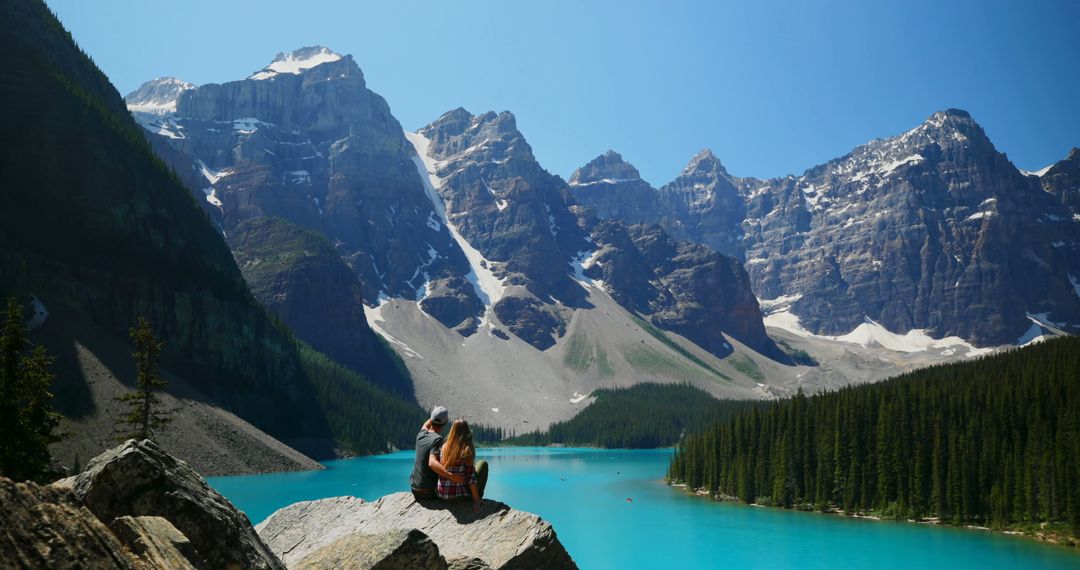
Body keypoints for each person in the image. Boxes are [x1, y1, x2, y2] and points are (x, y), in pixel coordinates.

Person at [410, 406, 465, 500]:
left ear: (431, 419)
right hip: (428, 492)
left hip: (415, 489)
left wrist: (434, 415)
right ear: (445, 423)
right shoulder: (437, 439)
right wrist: (452, 476)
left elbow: (425, 425)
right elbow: (432, 463)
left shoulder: (421, 434)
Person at [435, 420, 489, 512]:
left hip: (442, 494)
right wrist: (476, 500)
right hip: (459, 496)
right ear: (467, 432)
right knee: (483, 464)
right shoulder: (466, 450)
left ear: (452, 431)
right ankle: (478, 497)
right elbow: (470, 478)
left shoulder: (444, 447)